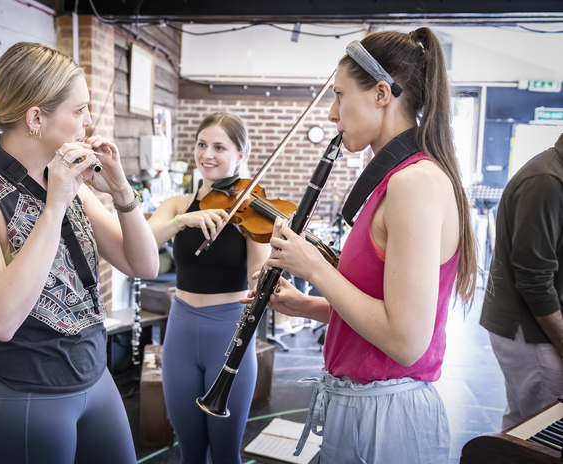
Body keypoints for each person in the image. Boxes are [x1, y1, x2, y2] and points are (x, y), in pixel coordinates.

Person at [243, 28, 477, 463]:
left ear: (382, 94)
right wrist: (309, 305)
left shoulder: (415, 183)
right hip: (363, 405)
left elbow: (406, 341)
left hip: (387, 415)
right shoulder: (395, 179)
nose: (332, 113)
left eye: (338, 95)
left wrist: (316, 269)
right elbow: (384, 305)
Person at [0, 42, 159, 464]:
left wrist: (121, 190)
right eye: (79, 111)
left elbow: (143, 264)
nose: (89, 122)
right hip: (21, 390)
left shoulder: (62, 178)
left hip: (92, 375)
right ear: (36, 118)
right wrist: (55, 205)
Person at [147, 112, 270, 463]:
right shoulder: (177, 206)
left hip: (229, 332)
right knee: (189, 452)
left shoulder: (250, 211)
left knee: (226, 452)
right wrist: (181, 221)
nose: (207, 154)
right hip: (181, 330)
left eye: (219, 146)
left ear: (240, 155)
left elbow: (257, 276)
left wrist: (272, 272)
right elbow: (140, 244)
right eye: (202, 145)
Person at [480, 133, 563, 429]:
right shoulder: (546, 181)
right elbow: (534, 280)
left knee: (524, 423)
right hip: (529, 330)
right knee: (538, 430)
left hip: (538, 326)